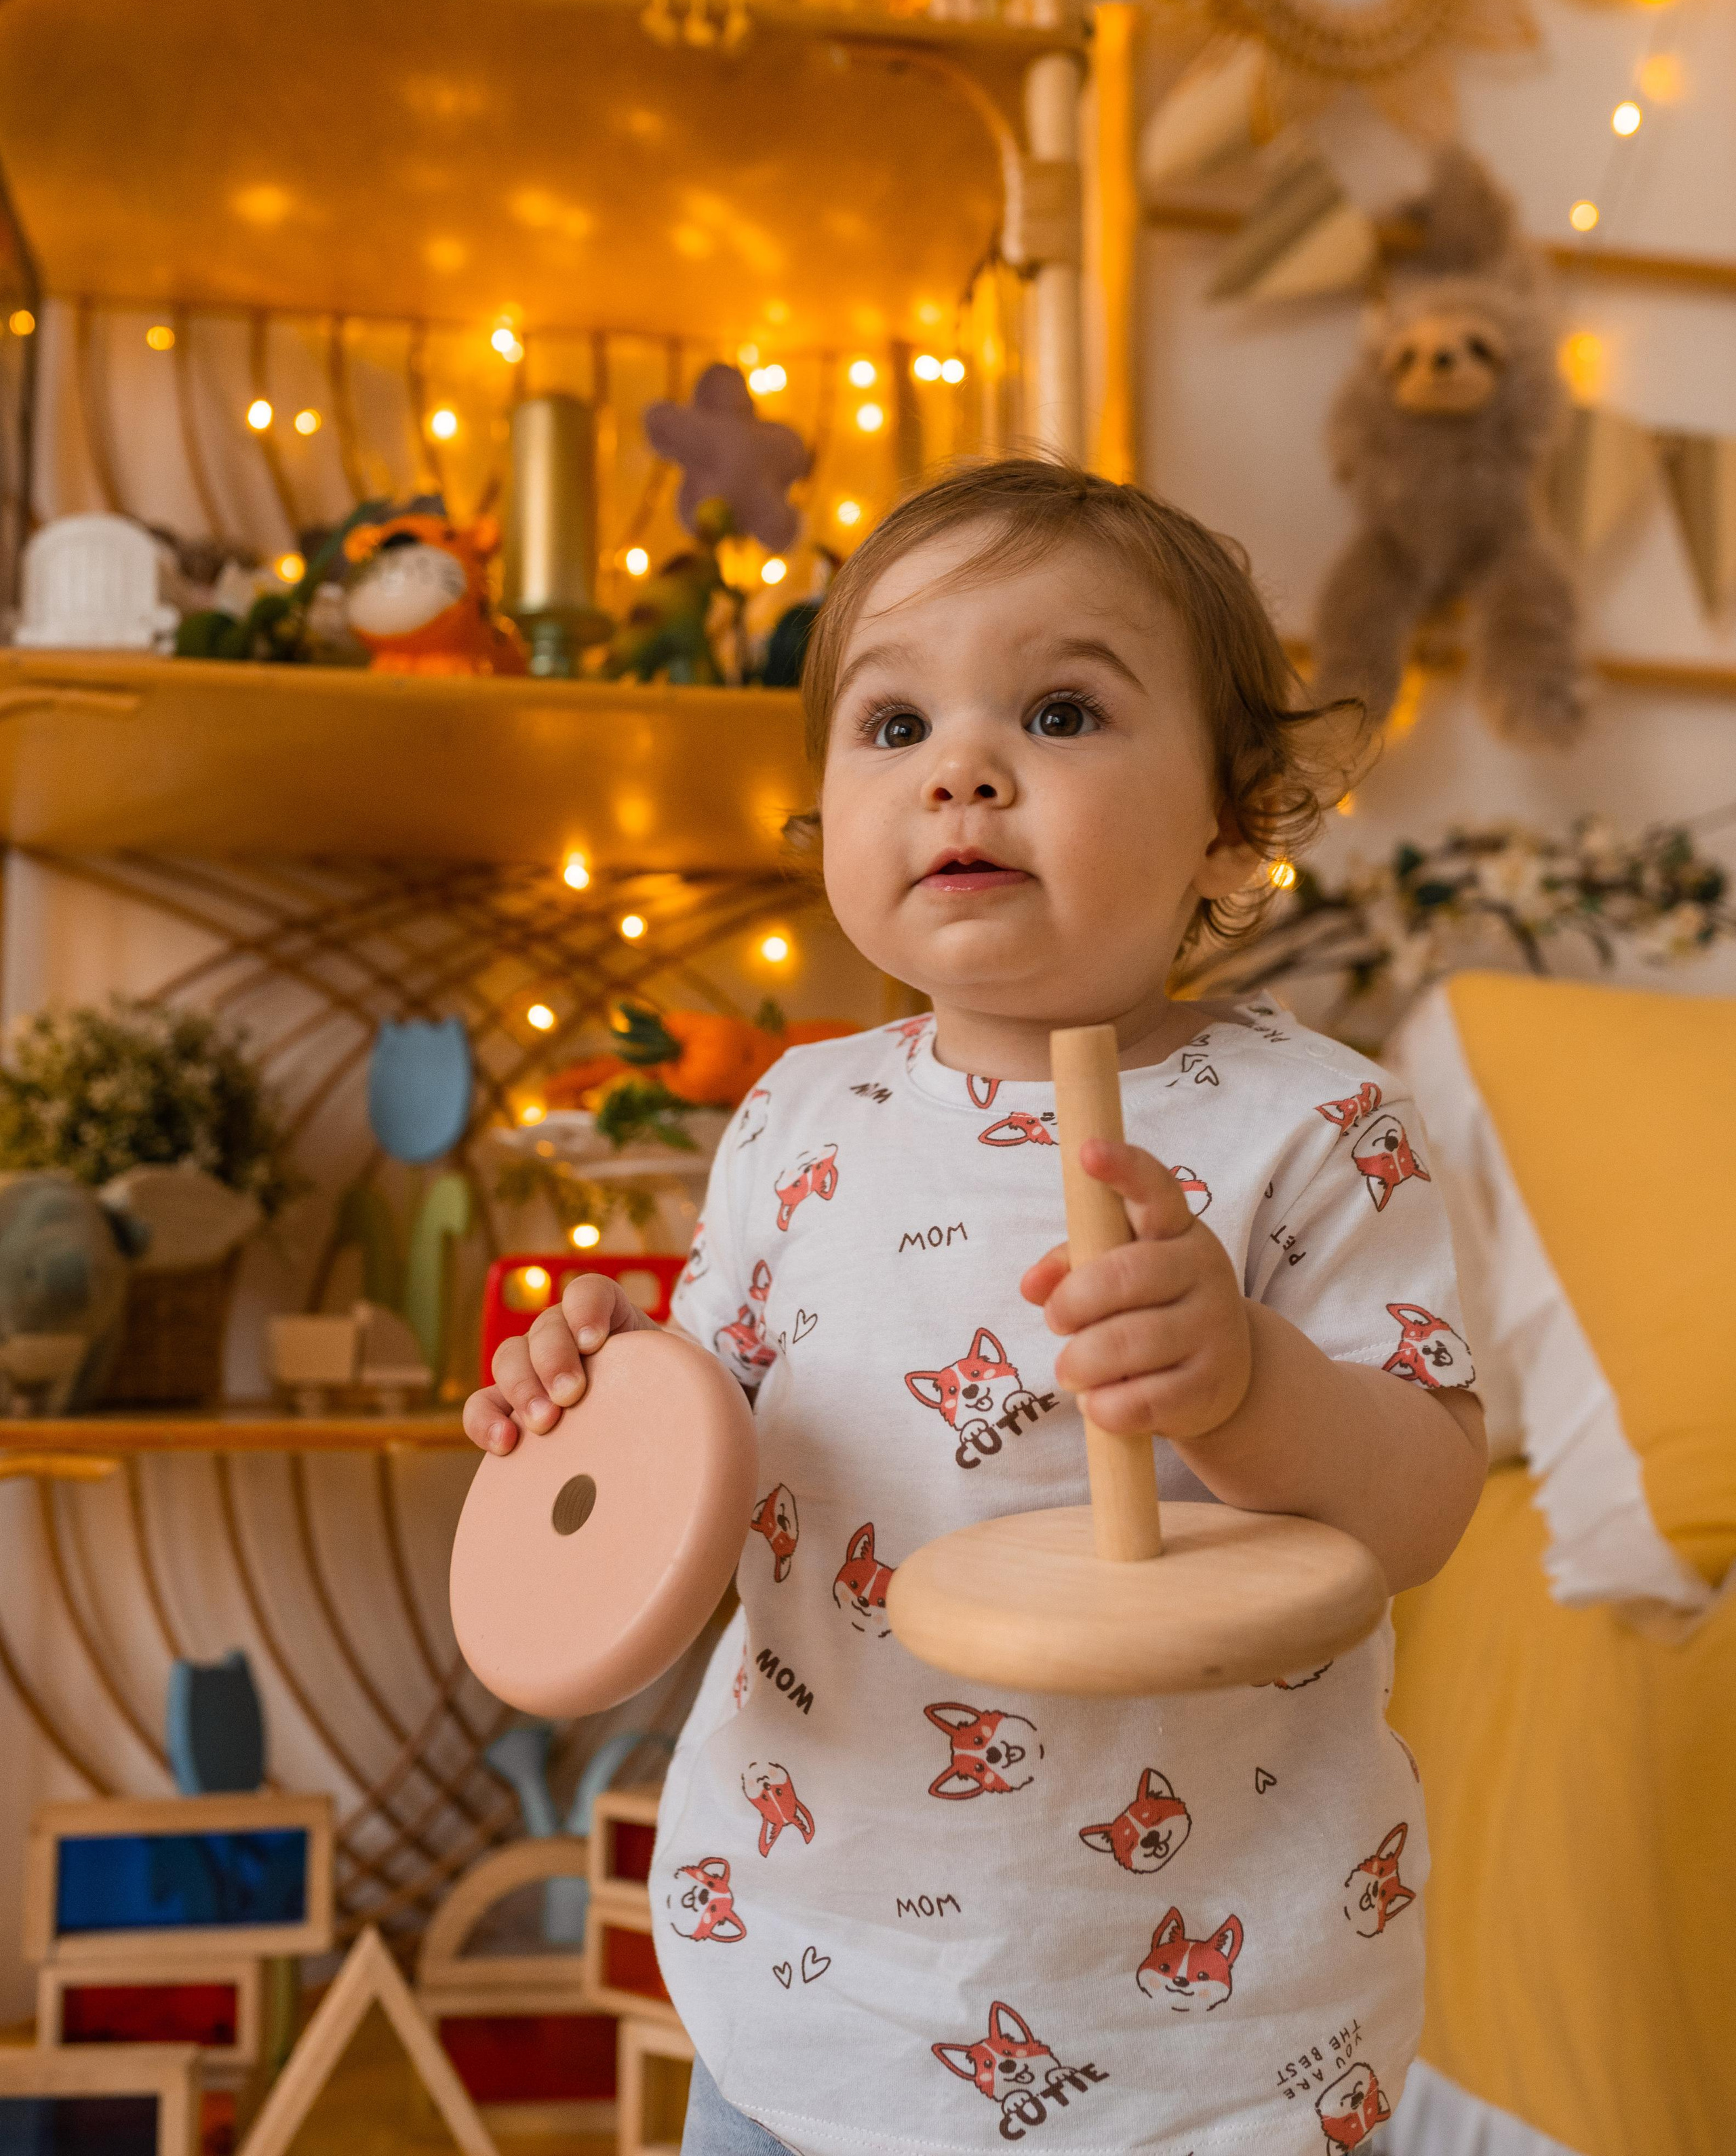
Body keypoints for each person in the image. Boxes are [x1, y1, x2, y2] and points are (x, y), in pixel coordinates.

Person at [464, 459, 1486, 2155]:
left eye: (1062, 709)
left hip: (1201, 2040)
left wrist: (1245, 1388)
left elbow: (1425, 1501)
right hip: (806, 1981)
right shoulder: (793, 1118)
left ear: (1235, 820)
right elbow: (703, 1466)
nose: (959, 769)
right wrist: (594, 1401)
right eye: (889, 728)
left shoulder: (1313, 1128)